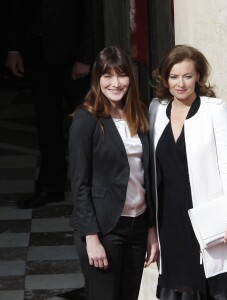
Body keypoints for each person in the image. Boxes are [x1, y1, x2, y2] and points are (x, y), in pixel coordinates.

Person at [149, 44, 227, 300]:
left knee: (212, 288)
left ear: (198, 77)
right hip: (169, 216)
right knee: (179, 287)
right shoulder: (156, 110)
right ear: (165, 78)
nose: (180, 83)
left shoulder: (215, 109)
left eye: (187, 76)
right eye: (173, 76)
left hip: (207, 212)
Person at [69, 46, 159, 300]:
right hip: (104, 228)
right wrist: (91, 238)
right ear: (97, 79)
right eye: (107, 76)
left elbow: (147, 175)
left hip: (138, 225)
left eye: (121, 75)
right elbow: (79, 184)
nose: (116, 83)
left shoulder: (139, 113)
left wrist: (151, 229)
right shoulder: (86, 119)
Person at [5, 0, 95, 208]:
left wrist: (84, 57)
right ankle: (50, 186)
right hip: (37, 55)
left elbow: (89, 13)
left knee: (85, 125)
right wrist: (13, 49)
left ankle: (94, 189)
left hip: (72, 57)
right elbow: (15, 9)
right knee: (47, 123)